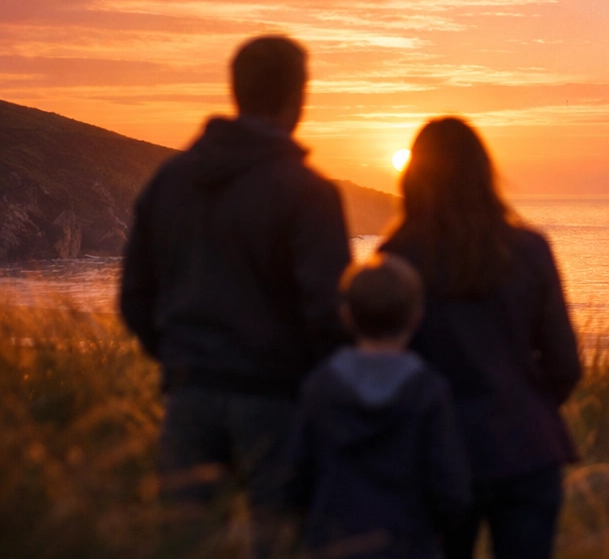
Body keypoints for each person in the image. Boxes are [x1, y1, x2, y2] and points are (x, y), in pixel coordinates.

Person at [119, 34, 353, 557]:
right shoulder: (309, 192)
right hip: (277, 400)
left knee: (187, 544)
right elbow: (328, 313)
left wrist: (182, 356)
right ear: (298, 97)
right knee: (280, 543)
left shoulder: (170, 181)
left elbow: (135, 296)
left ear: (237, 90)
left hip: (190, 393)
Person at [379, 117, 581, 559]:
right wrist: (524, 406)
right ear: (484, 174)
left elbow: (386, 368)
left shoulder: (397, 257)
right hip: (527, 449)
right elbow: (565, 365)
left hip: (437, 456)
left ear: (413, 177)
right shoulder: (530, 250)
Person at [286, 254, 471, 559]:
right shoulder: (428, 391)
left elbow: (295, 477)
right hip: (409, 545)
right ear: (416, 317)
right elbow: (451, 489)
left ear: (346, 315)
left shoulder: (320, 387)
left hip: (333, 543)